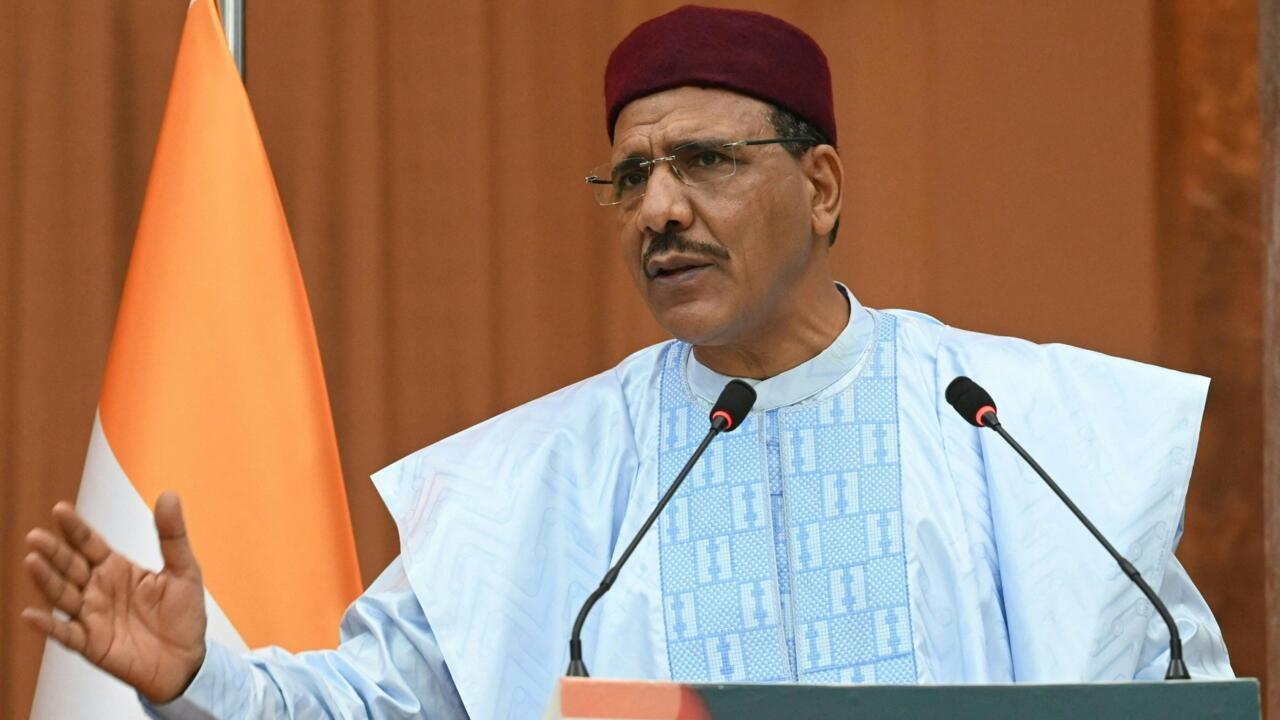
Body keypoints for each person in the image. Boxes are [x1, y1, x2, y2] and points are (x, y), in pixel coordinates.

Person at [22, 5, 1232, 719]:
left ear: (818, 190)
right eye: (629, 177)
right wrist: (200, 677)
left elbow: (1171, 681)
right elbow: (371, 703)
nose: (657, 209)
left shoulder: (1012, 424)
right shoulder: (541, 477)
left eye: (704, 164)